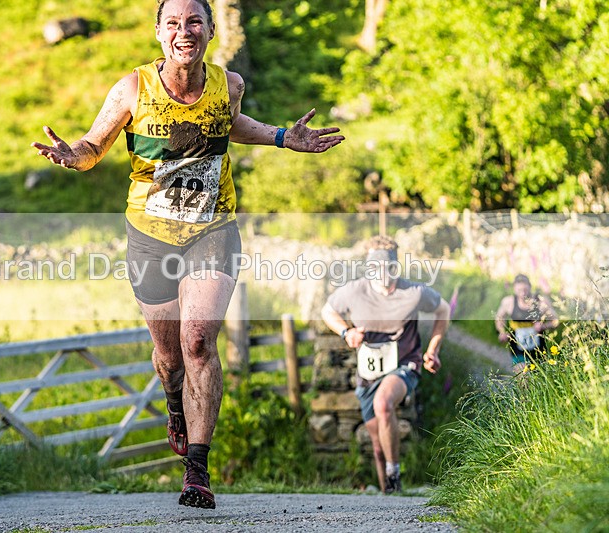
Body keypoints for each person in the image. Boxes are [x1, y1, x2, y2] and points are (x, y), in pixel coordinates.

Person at [32, 0, 344, 509]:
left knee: (198, 340)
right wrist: (75, 155)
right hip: (149, 236)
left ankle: (196, 469)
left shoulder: (230, 85)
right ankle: (174, 401)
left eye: (194, 22)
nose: (184, 31)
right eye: (173, 24)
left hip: (212, 230)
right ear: (159, 34)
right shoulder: (133, 88)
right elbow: (94, 144)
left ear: (210, 30)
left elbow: (229, 125)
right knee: (170, 356)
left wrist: (284, 137)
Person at [320, 236, 449, 494]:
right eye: (374, 267)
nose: (381, 273)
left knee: (383, 403)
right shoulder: (355, 291)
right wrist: (347, 333)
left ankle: (393, 472)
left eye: (387, 267)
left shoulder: (413, 293)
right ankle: (389, 494)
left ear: (395, 267)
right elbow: (327, 311)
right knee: (377, 443)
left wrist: (432, 350)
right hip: (369, 371)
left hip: (404, 364)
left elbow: (443, 309)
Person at [494, 274, 559, 374]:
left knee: (540, 380)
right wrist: (502, 332)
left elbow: (555, 321)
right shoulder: (509, 302)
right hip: (518, 349)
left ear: (530, 287)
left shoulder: (541, 301)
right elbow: (499, 318)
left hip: (539, 350)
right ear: (514, 289)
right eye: (519, 290)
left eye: (525, 290)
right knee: (523, 378)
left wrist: (544, 326)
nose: (523, 293)